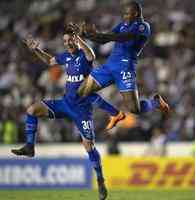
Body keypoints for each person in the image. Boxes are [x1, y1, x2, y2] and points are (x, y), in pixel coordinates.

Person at [11, 27, 114, 200]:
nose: (67, 44)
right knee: (32, 110)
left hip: (82, 110)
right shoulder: (65, 57)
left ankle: (100, 180)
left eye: (69, 40)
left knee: (89, 146)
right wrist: (36, 49)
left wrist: (79, 39)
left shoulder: (84, 56)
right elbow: (50, 61)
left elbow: (91, 55)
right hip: (66, 104)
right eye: (65, 41)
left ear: (75, 39)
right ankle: (30, 146)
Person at [72, 1, 170, 123]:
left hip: (125, 68)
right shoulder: (123, 24)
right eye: (124, 14)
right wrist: (87, 35)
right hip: (109, 66)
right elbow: (104, 40)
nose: (124, 16)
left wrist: (98, 35)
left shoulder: (143, 27)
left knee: (134, 109)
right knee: (81, 91)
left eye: (127, 14)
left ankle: (155, 103)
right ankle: (113, 114)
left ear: (135, 13)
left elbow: (122, 37)